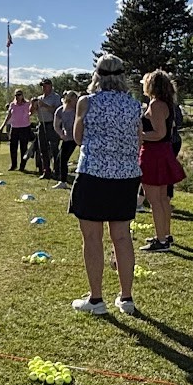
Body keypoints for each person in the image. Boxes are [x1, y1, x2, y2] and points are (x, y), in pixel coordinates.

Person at [68, 54, 142, 316]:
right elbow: (138, 141)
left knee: (92, 237)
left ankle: (96, 298)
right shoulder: (134, 106)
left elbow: (78, 138)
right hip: (125, 177)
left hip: (93, 175)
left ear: (97, 75)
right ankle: (126, 297)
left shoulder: (86, 103)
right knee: (122, 237)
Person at [138, 70, 187, 253]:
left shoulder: (156, 104)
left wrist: (139, 135)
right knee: (163, 198)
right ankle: (165, 235)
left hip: (154, 154)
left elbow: (159, 133)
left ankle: (161, 240)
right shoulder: (167, 103)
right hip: (162, 152)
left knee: (155, 200)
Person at [31, 78, 63, 180]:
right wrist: (33, 105)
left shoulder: (55, 97)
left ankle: (58, 171)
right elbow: (32, 112)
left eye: (45, 85)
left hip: (52, 124)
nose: (43, 88)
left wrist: (44, 105)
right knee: (43, 149)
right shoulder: (40, 98)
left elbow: (57, 110)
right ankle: (46, 171)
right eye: (42, 86)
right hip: (41, 124)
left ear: (50, 86)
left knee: (54, 149)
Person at [0, 89, 35, 172]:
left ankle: (22, 166)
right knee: (13, 147)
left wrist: (33, 106)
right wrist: (2, 126)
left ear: (22, 95)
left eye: (19, 95)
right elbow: (8, 116)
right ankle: (13, 165)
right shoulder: (12, 105)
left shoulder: (27, 104)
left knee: (23, 148)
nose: (17, 96)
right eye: (16, 95)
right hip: (14, 128)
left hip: (25, 128)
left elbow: (31, 112)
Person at [51, 91, 79, 190]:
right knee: (61, 159)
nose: (76, 101)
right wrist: (61, 134)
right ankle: (61, 180)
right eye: (74, 99)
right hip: (67, 137)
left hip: (77, 137)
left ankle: (65, 180)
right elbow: (56, 125)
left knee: (64, 159)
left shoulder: (77, 110)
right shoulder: (60, 110)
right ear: (70, 99)